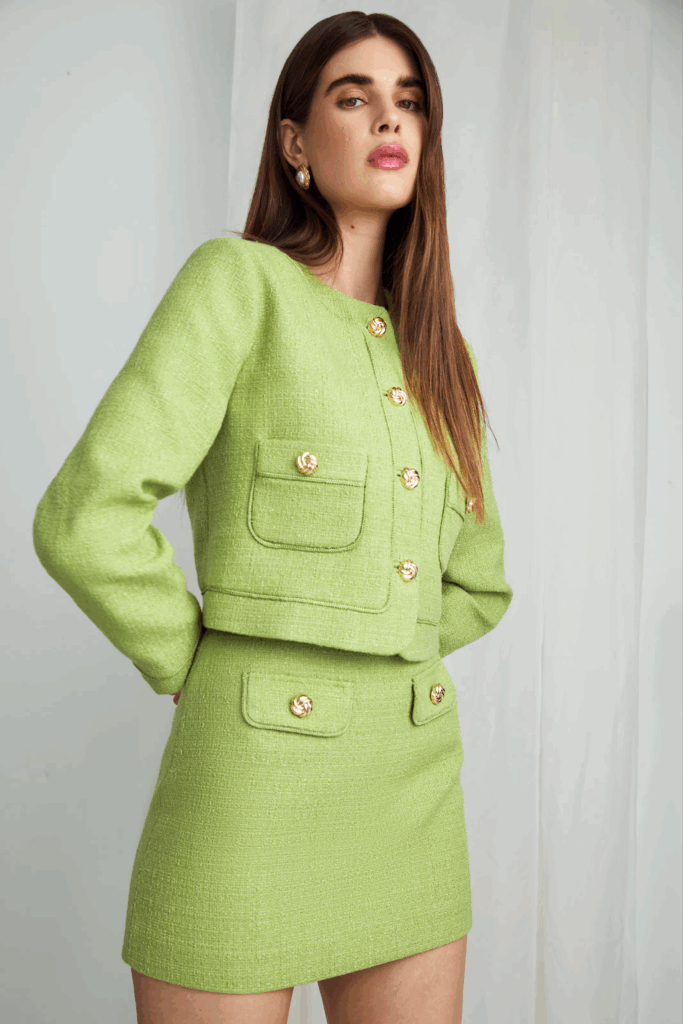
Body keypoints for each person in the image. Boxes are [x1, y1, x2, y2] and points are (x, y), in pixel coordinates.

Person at [32, 11, 513, 1024]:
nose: (389, 119)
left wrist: (378, 643)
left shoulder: (441, 351)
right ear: (294, 139)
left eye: (409, 101)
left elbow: (477, 581)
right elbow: (85, 515)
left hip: (412, 789)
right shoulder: (238, 283)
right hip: (249, 783)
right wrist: (194, 662)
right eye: (353, 96)